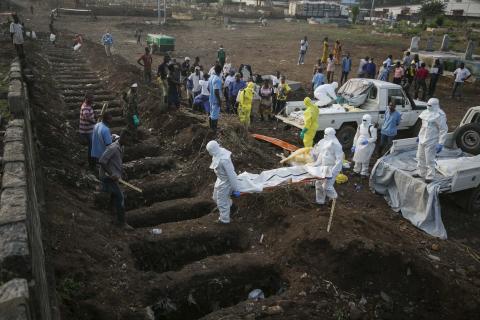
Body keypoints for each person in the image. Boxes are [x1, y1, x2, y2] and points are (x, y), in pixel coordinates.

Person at [99, 131, 133, 230]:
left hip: (114, 175)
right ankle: (121, 222)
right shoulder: (113, 148)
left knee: (115, 195)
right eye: (128, 140)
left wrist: (122, 171)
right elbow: (102, 161)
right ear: (123, 138)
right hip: (107, 177)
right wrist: (111, 174)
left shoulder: (121, 147)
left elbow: (117, 161)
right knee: (120, 197)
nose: (129, 142)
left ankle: (111, 213)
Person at [206, 140, 240, 224]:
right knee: (215, 197)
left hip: (226, 183)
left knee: (222, 201)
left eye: (209, 151)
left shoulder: (224, 160)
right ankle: (231, 207)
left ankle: (224, 220)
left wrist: (235, 189)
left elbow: (231, 175)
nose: (209, 153)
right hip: (220, 179)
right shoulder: (216, 154)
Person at [415, 98, 448, 182]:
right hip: (422, 139)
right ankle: (421, 172)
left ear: (435, 105)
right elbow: (423, 126)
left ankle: (430, 176)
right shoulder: (426, 113)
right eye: (428, 105)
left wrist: (441, 143)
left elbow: (443, 129)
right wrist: (419, 136)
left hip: (431, 140)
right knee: (419, 157)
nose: (428, 106)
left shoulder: (439, 115)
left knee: (429, 160)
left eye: (430, 105)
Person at [308, 127, 343, 205]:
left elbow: (339, 161)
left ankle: (333, 199)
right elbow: (321, 154)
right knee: (318, 183)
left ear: (331, 134)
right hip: (323, 166)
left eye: (326, 134)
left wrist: (333, 173)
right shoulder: (324, 142)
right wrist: (315, 163)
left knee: (327, 186)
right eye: (324, 133)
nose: (324, 135)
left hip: (331, 168)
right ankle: (320, 201)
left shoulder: (336, 145)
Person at [79, 93, 96, 169]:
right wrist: (95, 123)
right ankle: (91, 164)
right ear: (87, 98)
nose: (93, 100)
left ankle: (92, 162)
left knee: (91, 146)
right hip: (87, 131)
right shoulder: (85, 107)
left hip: (88, 130)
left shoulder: (88, 105)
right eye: (91, 98)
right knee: (91, 147)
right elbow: (87, 118)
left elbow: (89, 116)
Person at [208, 64, 223, 131]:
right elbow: (216, 92)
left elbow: (208, 88)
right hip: (215, 100)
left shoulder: (211, 77)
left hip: (211, 99)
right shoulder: (217, 79)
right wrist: (219, 101)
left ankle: (211, 127)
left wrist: (211, 94)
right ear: (220, 71)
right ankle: (214, 129)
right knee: (215, 115)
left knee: (211, 114)